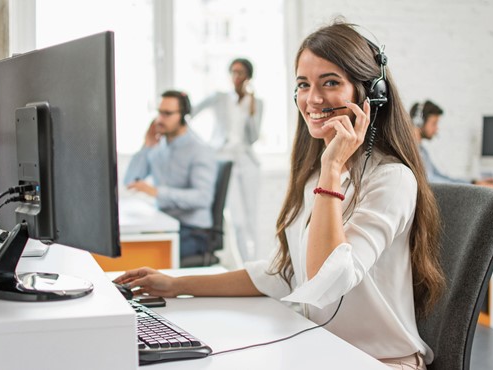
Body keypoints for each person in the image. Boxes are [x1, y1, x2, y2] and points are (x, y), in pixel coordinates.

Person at [116, 20, 445, 369]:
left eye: (330, 82)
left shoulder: (391, 180)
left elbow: (326, 281)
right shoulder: (316, 176)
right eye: (303, 85)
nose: (312, 99)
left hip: (380, 361)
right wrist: (176, 284)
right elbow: (284, 272)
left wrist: (333, 164)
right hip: (322, 351)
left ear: (370, 94)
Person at [123, 90, 218, 262]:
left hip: (193, 231)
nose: (160, 119)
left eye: (167, 114)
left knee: (143, 256)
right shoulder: (159, 146)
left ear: (183, 116)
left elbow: (203, 198)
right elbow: (130, 181)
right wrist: (147, 145)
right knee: (125, 248)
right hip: (164, 224)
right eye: (159, 112)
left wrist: (158, 192)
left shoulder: (199, 150)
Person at [190, 58, 263, 261]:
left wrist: (251, 111)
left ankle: (255, 265)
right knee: (237, 220)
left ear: (248, 76)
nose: (235, 77)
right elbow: (190, 113)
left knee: (251, 219)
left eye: (240, 73)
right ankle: (243, 266)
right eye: (232, 72)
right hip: (223, 160)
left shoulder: (256, 103)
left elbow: (254, 137)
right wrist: (206, 146)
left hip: (247, 161)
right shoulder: (219, 98)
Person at [410, 100, 493, 189]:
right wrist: (476, 187)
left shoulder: (423, 151)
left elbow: (441, 177)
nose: (436, 129)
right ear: (419, 122)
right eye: (434, 123)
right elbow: (432, 181)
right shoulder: (412, 151)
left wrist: (474, 182)